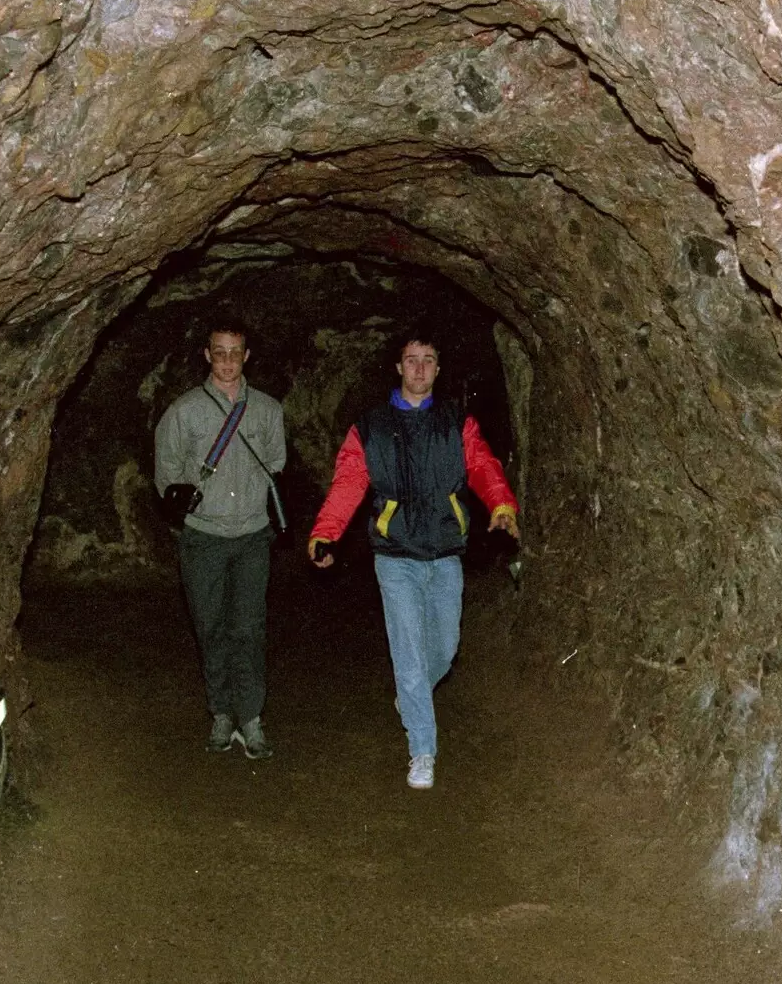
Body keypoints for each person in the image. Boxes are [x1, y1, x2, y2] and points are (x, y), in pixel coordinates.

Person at [307, 335, 520, 789]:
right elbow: (349, 482)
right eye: (411, 361)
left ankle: (412, 696)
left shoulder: (456, 422)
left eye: (428, 361)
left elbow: (482, 465)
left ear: (438, 369)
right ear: (398, 367)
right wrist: (326, 532)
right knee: (409, 654)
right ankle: (422, 749)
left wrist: (501, 505)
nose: (419, 369)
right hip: (396, 554)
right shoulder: (371, 427)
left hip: (444, 552)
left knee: (443, 647)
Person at [155, 322, 287, 759]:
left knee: (248, 628)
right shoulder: (184, 411)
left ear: (247, 355)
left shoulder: (267, 411)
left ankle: (250, 717)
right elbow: (167, 472)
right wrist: (183, 498)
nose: (228, 361)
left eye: (236, 352)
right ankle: (221, 713)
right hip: (204, 538)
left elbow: (275, 463)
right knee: (210, 626)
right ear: (206, 355)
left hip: (251, 534)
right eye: (220, 352)